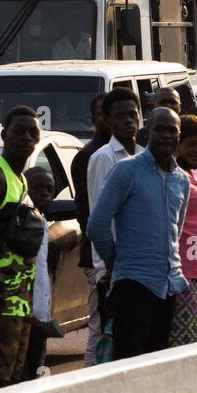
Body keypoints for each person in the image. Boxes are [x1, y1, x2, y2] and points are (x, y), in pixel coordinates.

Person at [88, 108, 190, 360]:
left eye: (172, 130)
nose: (166, 135)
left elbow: (176, 231)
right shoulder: (126, 170)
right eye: (160, 129)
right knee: (129, 362)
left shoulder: (182, 180)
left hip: (169, 285)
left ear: (179, 135)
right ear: (147, 133)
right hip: (133, 283)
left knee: (156, 363)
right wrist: (116, 262)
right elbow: (97, 224)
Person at [0, 106, 42, 386]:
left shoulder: (20, 177)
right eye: (19, 131)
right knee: (0, 375)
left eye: (33, 132)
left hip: (19, 296)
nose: (26, 138)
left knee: (16, 375)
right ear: (4, 134)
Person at [83, 87, 141, 365]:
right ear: (106, 120)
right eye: (119, 116)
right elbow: (99, 217)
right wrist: (103, 269)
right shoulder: (103, 158)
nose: (128, 121)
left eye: (132, 114)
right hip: (113, 268)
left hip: (140, 265)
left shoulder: (143, 154)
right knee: (106, 339)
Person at [169, 115, 197, 347]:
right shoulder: (175, 177)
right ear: (177, 144)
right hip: (183, 273)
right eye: (191, 144)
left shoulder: (194, 176)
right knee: (185, 342)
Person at [70, 92, 107, 365]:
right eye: (105, 114)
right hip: (98, 256)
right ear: (94, 119)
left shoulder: (136, 153)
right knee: (99, 324)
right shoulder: (88, 156)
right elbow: (86, 212)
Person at [23, 166, 64, 381]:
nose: (45, 194)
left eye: (50, 189)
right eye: (38, 188)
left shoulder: (42, 221)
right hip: (25, 316)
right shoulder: (23, 222)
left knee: (36, 370)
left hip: (40, 316)